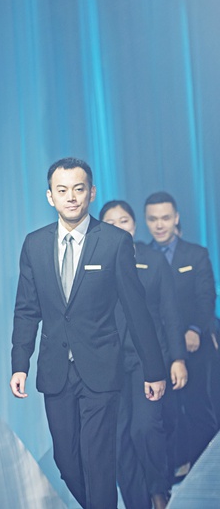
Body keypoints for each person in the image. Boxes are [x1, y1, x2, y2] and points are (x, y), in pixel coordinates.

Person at [10, 158, 166, 509]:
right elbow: (27, 309)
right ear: (50, 196)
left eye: (78, 189)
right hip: (55, 371)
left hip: (101, 369)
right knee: (66, 462)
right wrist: (20, 364)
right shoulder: (35, 244)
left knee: (98, 461)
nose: (71, 197)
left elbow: (136, 310)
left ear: (91, 192)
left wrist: (153, 369)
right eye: (62, 190)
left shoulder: (114, 242)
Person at [100, 200, 187, 509]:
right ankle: (137, 502)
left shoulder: (152, 259)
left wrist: (177, 358)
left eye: (123, 221)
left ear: (134, 225)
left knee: (145, 427)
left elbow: (170, 312)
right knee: (119, 439)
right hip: (109, 364)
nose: (118, 227)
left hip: (147, 360)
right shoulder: (93, 265)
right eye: (110, 223)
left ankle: (158, 489)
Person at [144, 191, 217, 476]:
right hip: (159, 349)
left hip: (194, 345)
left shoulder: (196, 254)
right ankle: (176, 468)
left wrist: (195, 330)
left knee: (199, 408)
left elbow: (206, 298)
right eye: (153, 219)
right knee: (167, 414)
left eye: (165, 218)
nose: (159, 225)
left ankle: (203, 471)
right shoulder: (142, 257)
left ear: (176, 218)